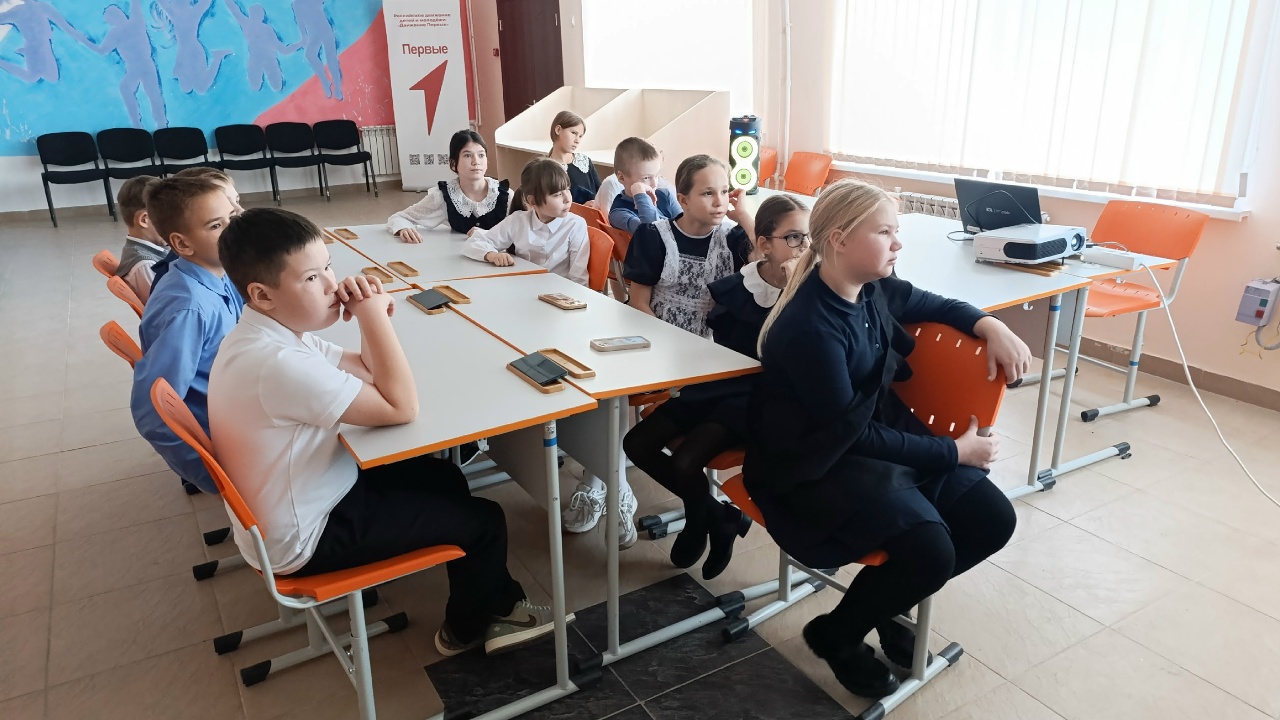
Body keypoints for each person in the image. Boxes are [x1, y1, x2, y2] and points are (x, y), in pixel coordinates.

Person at [210, 208, 563, 656]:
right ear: (262, 295)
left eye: (329, 267)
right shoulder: (278, 362)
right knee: (486, 520)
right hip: (308, 535)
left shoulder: (271, 333)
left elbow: (366, 370)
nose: (333, 285)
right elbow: (401, 407)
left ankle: (493, 600)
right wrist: (373, 317)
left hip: (302, 498)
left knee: (444, 476)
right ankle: (468, 628)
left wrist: (370, 314)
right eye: (312, 279)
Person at [742, 180, 1027, 698]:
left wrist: (990, 325)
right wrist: (954, 452)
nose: (898, 244)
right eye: (884, 232)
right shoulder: (810, 327)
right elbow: (850, 437)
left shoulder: (873, 285)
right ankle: (839, 634)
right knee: (932, 553)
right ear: (838, 240)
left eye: (896, 231)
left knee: (993, 520)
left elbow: (937, 303)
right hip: (816, 464)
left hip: (873, 441)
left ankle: (878, 606)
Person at [623, 194, 810, 580]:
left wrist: (798, 291)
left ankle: (699, 520)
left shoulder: (812, 291)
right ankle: (715, 513)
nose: (803, 247)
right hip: (720, 384)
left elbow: (800, 357)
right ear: (764, 245)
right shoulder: (742, 284)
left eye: (809, 238)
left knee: (685, 460)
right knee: (637, 443)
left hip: (761, 400)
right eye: (794, 238)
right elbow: (724, 343)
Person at [130, 176, 243, 495]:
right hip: (233, 435)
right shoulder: (188, 308)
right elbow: (152, 412)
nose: (234, 230)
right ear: (182, 244)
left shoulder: (217, 271)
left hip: (241, 397)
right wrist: (214, 478)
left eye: (232, 217)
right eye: (216, 225)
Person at [622, 154, 756, 338]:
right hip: (658, 338)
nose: (719, 202)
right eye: (708, 193)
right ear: (683, 200)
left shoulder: (733, 238)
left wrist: (743, 216)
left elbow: (768, 255)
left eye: (725, 191)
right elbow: (638, 303)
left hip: (712, 345)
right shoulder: (654, 236)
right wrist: (663, 342)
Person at [463, 158, 590, 287]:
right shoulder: (518, 221)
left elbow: (579, 279)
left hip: (560, 292)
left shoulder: (576, 225)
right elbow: (474, 243)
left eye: (567, 189)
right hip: (523, 288)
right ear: (532, 201)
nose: (567, 199)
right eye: (557, 194)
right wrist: (491, 255)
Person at [387, 130, 512, 241]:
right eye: (467, 155)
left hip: (504, 258)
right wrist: (404, 228)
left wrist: (487, 234)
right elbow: (399, 217)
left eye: (481, 155)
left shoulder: (505, 195)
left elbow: (520, 232)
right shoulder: (445, 196)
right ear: (453, 164)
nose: (476, 162)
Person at [150, 167, 243, 291]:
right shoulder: (186, 288)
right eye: (215, 225)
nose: (241, 211)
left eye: (237, 201)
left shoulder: (217, 261)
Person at [607, 137, 682, 235]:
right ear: (621, 177)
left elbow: (686, 228)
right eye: (646, 178)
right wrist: (640, 194)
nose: (654, 184)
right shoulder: (619, 214)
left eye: (656, 175)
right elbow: (653, 233)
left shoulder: (665, 195)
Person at [112, 175, 165, 303]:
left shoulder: (152, 249)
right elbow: (165, 306)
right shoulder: (145, 265)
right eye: (168, 217)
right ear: (144, 220)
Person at [547, 110, 600, 205]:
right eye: (574, 133)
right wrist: (582, 209)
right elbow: (549, 205)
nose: (577, 140)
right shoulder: (546, 169)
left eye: (580, 136)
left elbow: (600, 193)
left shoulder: (584, 161)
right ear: (558, 130)